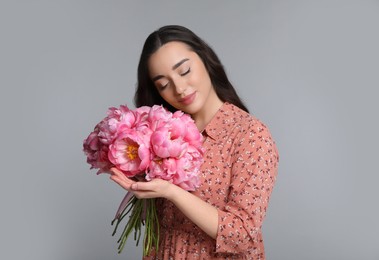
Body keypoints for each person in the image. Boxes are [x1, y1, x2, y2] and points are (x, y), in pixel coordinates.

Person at [110, 25, 279, 259]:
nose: (179, 88)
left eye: (185, 70)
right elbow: (159, 225)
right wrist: (140, 179)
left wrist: (172, 192)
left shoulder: (250, 134)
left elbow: (242, 234)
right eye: (163, 84)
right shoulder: (162, 135)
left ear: (205, 58)